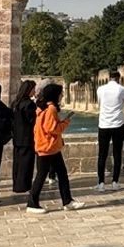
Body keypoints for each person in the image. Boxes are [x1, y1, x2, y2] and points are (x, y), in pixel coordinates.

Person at [27, 83, 85, 214]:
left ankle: (67, 201)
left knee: (61, 174)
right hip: (48, 147)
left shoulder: (42, 107)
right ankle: (32, 203)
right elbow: (52, 129)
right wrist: (66, 122)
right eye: (61, 94)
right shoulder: (51, 109)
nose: (62, 96)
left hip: (48, 146)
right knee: (41, 176)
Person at [95, 71, 124, 191]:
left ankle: (101, 183)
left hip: (104, 124)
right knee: (117, 154)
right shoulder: (122, 89)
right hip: (118, 124)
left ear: (108, 78)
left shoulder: (100, 89)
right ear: (118, 78)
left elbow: (100, 103)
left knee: (102, 154)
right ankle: (115, 182)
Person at [9, 80, 38, 193]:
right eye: (33, 89)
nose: (34, 91)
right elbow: (32, 121)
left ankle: (17, 185)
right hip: (27, 138)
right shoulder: (29, 104)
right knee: (26, 163)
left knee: (18, 163)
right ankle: (24, 185)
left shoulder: (15, 103)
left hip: (17, 138)